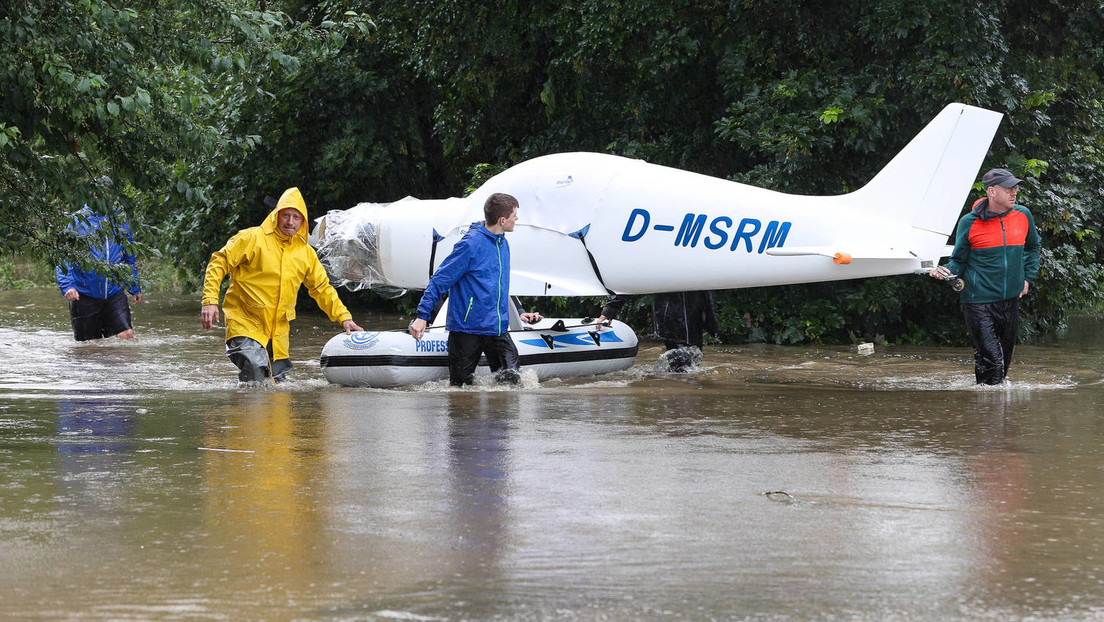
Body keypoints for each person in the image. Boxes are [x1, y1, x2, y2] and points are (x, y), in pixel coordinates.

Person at [201, 187, 363, 383]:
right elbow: (219, 262)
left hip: (278, 332)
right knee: (254, 368)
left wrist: (344, 318)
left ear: (303, 221)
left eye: (296, 217)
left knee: (277, 385)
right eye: (286, 215)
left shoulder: (306, 253)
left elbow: (321, 289)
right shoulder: (252, 238)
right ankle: (244, 413)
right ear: (276, 215)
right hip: (244, 321)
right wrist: (210, 300)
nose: (290, 221)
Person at [408, 192, 541, 386]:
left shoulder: (502, 243)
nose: (517, 219)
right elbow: (440, 279)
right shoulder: (470, 244)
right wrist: (422, 316)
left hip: (496, 329)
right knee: (460, 390)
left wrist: (519, 311)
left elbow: (498, 283)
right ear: (502, 220)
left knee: (513, 382)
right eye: (514, 215)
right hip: (467, 328)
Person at [929, 168, 1042, 385]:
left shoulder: (1023, 215)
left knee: (1002, 363)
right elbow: (959, 261)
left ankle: (985, 408)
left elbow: (1033, 246)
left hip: (1010, 301)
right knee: (993, 362)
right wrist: (945, 271)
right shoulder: (969, 222)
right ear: (991, 191)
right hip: (977, 301)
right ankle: (992, 411)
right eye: (1008, 188)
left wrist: (1027, 277)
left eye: (1015, 188)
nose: (1014, 192)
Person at [55, 205, 142, 341]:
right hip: (84, 293)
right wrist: (68, 286)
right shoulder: (76, 220)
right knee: (89, 346)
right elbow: (64, 258)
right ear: (93, 194)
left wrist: (134, 286)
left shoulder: (120, 221)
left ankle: (124, 362)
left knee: (126, 334)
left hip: (114, 291)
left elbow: (128, 257)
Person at [596, 291, 718, 371]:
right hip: (670, 319)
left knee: (692, 364)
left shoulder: (696, 257)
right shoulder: (659, 257)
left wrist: (711, 323)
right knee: (683, 367)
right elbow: (635, 277)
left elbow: (706, 288)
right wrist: (610, 309)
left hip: (695, 319)